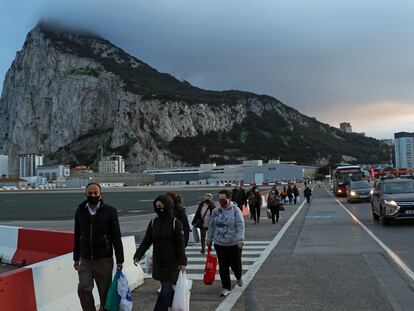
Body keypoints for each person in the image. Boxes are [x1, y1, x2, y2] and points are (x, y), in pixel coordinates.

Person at [73, 183, 124, 311]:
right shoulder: (79, 211)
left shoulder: (110, 211)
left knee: (105, 294)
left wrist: (120, 259)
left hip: (104, 260)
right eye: (90, 193)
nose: (93, 195)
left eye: (95, 193)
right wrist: (76, 258)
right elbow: (77, 235)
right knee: (83, 288)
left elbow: (116, 237)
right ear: (85, 194)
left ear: (101, 194)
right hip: (85, 260)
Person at [133, 195, 187, 311]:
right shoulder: (153, 222)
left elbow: (180, 245)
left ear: (167, 206)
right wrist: (138, 255)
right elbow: (147, 241)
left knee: (164, 292)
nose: (158, 209)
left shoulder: (175, 223)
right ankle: (176, 306)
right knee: (167, 291)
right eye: (157, 206)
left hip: (172, 263)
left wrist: (183, 262)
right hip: (159, 262)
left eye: (161, 206)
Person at [206, 189, 245, 297]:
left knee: (235, 264)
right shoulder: (215, 211)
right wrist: (209, 239)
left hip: (233, 243)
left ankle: (238, 276)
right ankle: (226, 287)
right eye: (219, 199)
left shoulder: (235, 210)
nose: (221, 202)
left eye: (224, 199)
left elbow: (240, 225)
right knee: (223, 266)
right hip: (219, 243)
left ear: (229, 199)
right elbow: (211, 226)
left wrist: (240, 239)